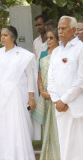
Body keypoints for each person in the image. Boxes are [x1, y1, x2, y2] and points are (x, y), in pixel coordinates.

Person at [47, 16, 83, 160]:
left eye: (64, 28)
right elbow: (50, 79)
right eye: (59, 28)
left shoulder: (82, 50)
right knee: (65, 145)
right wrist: (56, 99)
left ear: (74, 30)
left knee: (81, 146)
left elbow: (82, 80)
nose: (60, 31)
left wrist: (64, 99)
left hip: (76, 106)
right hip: (60, 107)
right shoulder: (56, 52)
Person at [0, 26, 38, 160]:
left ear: (13, 37)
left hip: (18, 97)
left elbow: (30, 78)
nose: (2, 38)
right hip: (2, 98)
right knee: (5, 130)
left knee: (19, 128)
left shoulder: (24, 55)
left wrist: (31, 97)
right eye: (1, 35)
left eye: (5, 35)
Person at [32, 28, 60, 160]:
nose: (48, 40)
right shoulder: (43, 54)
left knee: (57, 127)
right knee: (46, 128)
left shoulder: (61, 53)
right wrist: (42, 91)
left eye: (51, 38)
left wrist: (53, 92)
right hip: (45, 96)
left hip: (57, 97)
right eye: (47, 38)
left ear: (57, 39)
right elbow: (39, 75)